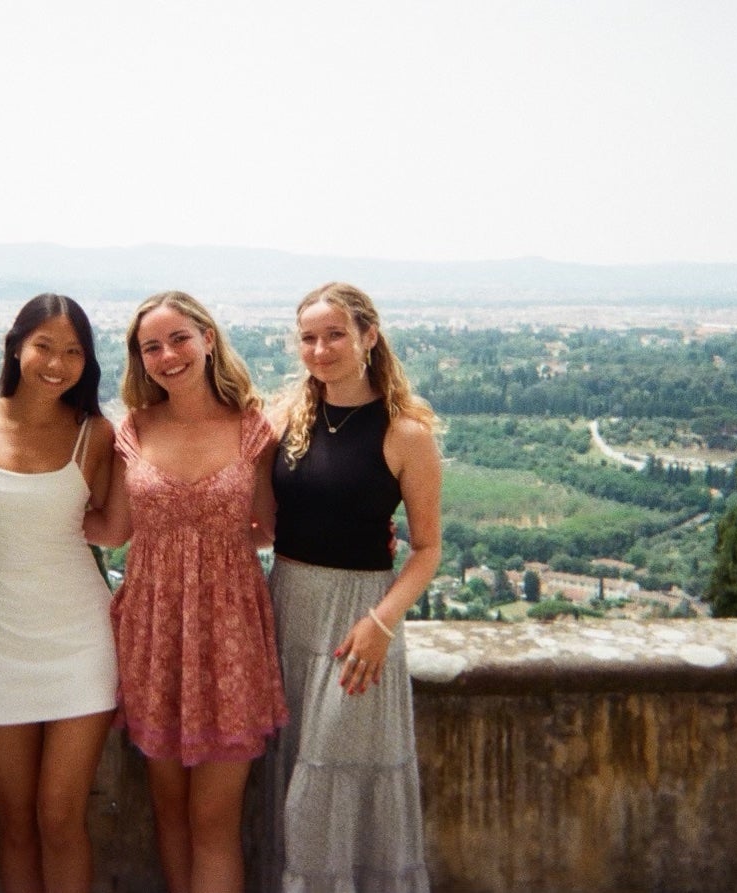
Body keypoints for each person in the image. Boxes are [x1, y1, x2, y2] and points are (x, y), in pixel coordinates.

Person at [86, 290, 287, 893]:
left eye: (178, 339)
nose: (167, 354)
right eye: (152, 346)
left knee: (212, 819)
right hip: (154, 630)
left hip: (230, 635)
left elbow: (272, 528)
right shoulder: (136, 430)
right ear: (139, 359)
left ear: (207, 338)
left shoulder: (253, 430)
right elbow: (115, 529)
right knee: (169, 811)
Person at [266, 281, 442, 892]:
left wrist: (381, 624)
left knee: (331, 782)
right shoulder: (284, 420)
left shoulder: (406, 434)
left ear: (368, 336)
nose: (320, 349)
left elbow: (426, 549)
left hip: (358, 623)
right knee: (288, 777)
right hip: (285, 608)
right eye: (309, 338)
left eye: (335, 334)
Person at [0, 293, 118, 893]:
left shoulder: (96, 434)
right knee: (17, 822)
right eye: (44, 346)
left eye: (73, 351)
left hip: (81, 641)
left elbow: (117, 526)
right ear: (16, 346)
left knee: (60, 816)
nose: (57, 362)